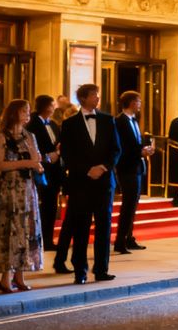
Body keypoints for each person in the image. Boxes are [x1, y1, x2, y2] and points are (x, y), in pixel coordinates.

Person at [59, 83, 120, 284]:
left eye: (98, 95)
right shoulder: (69, 124)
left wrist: (102, 167)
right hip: (81, 183)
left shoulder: (108, 120)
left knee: (104, 227)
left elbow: (116, 150)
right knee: (80, 228)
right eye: (94, 95)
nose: (97, 98)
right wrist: (87, 170)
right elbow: (67, 154)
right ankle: (80, 271)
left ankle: (102, 269)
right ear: (83, 98)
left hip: (104, 182)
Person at [0, 99, 44, 293]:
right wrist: (26, 163)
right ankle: (5, 278)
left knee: (26, 231)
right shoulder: (1, 136)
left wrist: (34, 162)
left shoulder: (29, 136)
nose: (28, 114)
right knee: (9, 232)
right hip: (9, 190)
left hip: (27, 189)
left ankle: (20, 275)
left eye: (28, 111)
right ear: (13, 113)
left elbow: (36, 160)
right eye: (24, 111)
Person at [114, 90, 154, 254]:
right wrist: (140, 152)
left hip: (137, 166)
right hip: (127, 167)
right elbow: (123, 146)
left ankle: (129, 237)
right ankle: (120, 241)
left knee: (133, 205)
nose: (140, 104)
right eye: (138, 101)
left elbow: (136, 142)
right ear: (131, 102)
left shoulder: (134, 120)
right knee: (128, 205)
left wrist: (145, 148)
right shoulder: (119, 121)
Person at [26, 94, 63, 252]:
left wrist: (59, 151)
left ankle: (48, 239)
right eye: (52, 105)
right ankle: (38, 240)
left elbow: (58, 143)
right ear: (45, 106)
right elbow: (32, 148)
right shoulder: (32, 124)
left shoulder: (54, 124)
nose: (54, 107)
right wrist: (48, 157)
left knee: (51, 207)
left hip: (54, 172)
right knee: (40, 207)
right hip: (40, 171)